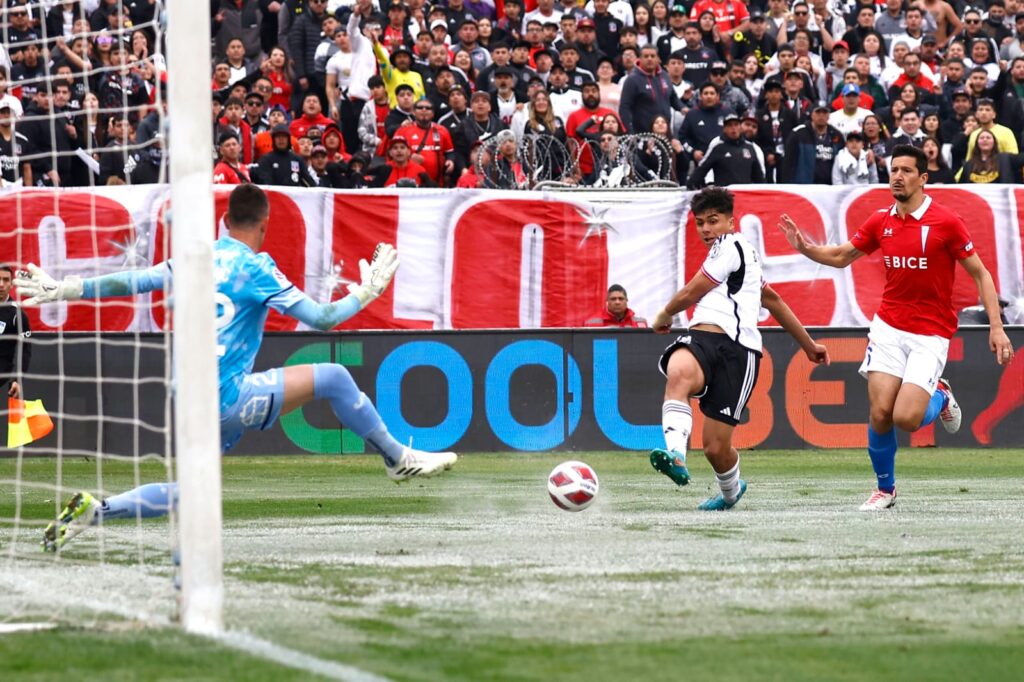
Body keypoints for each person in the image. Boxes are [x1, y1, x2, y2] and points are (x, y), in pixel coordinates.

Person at [19, 185, 457, 551]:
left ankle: (98, 510)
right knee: (334, 376)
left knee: (191, 492)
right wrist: (367, 292)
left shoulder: (196, 257)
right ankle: (397, 459)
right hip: (227, 398)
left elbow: (132, 281)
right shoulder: (257, 267)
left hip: (186, 397)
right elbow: (321, 319)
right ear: (264, 226)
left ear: (225, 223)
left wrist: (66, 288)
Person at [778, 144, 1013, 511]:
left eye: (905, 171)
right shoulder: (880, 220)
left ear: (923, 178)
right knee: (879, 413)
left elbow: (981, 274)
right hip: (888, 327)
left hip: (930, 333)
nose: (897, 177)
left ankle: (942, 396)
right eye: (893, 170)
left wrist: (996, 328)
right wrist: (806, 248)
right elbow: (842, 256)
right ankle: (885, 490)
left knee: (907, 417)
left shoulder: (946, 222)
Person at [649, 187, 829, 511]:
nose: (706, 229)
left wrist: (664, 313)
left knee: (716, 449)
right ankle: (676, 454)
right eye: (700, 223)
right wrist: (809, 345)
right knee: (678, 374)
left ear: (730, 222)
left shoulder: (732, 245)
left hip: (740, 352)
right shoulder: (735, 255)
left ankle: (731, 493)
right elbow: (771, 299)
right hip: (703, 339)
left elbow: (693, 290)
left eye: (713, 221)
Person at [0, 264, 31, 400]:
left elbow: (26, 349)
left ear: (11, 284)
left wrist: (18, 380)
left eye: (6, 280)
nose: (1, 284)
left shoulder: (16, 315)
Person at [583, 284, 648, 327]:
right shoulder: (591, 324)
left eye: (621, 298)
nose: (617, 302)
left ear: (626, 300)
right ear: (607, 301)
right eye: (613, 299)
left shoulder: (640, 322)